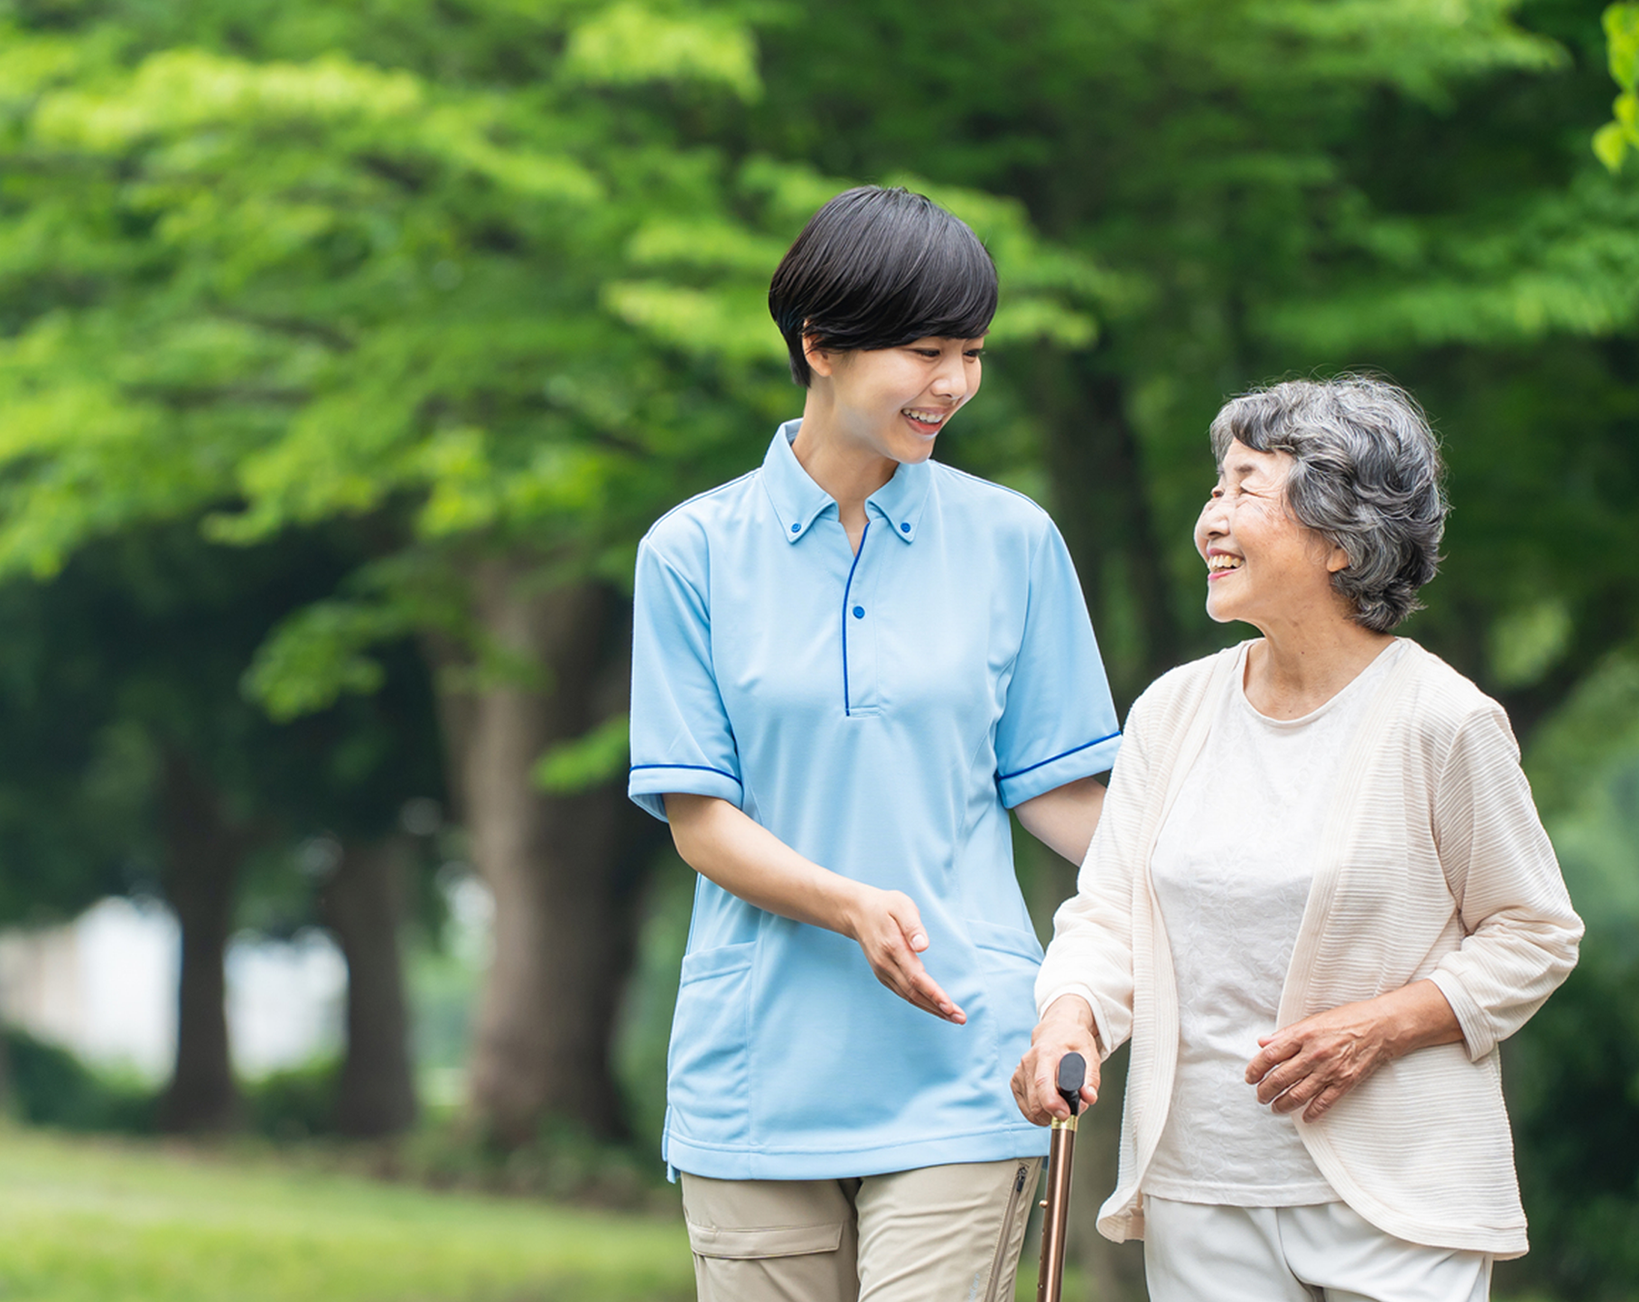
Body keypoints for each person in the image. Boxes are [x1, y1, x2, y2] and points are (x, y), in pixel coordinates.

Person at [628, 185, 1121, 1302]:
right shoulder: (691, 554)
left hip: (964, 1056)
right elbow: (699, 822)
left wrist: (1221, 877)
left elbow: (1061, 794)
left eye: (972, 352)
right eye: (924, 350)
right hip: (756, 1073)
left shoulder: (1013, 542)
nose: (953, 384)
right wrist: (850, 904)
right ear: (819, 346)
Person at [1012, 376, 1584, 1301]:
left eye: (1245, 489)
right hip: (1202, 1186)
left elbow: (1535, 931)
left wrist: (1386, 1025)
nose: (1211, 520)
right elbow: (1110, 910)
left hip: (1398, 1198)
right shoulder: (1173, 710)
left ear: (1339, 538)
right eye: (1213, 490)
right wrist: (1070, 1009)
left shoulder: (1442, 720)